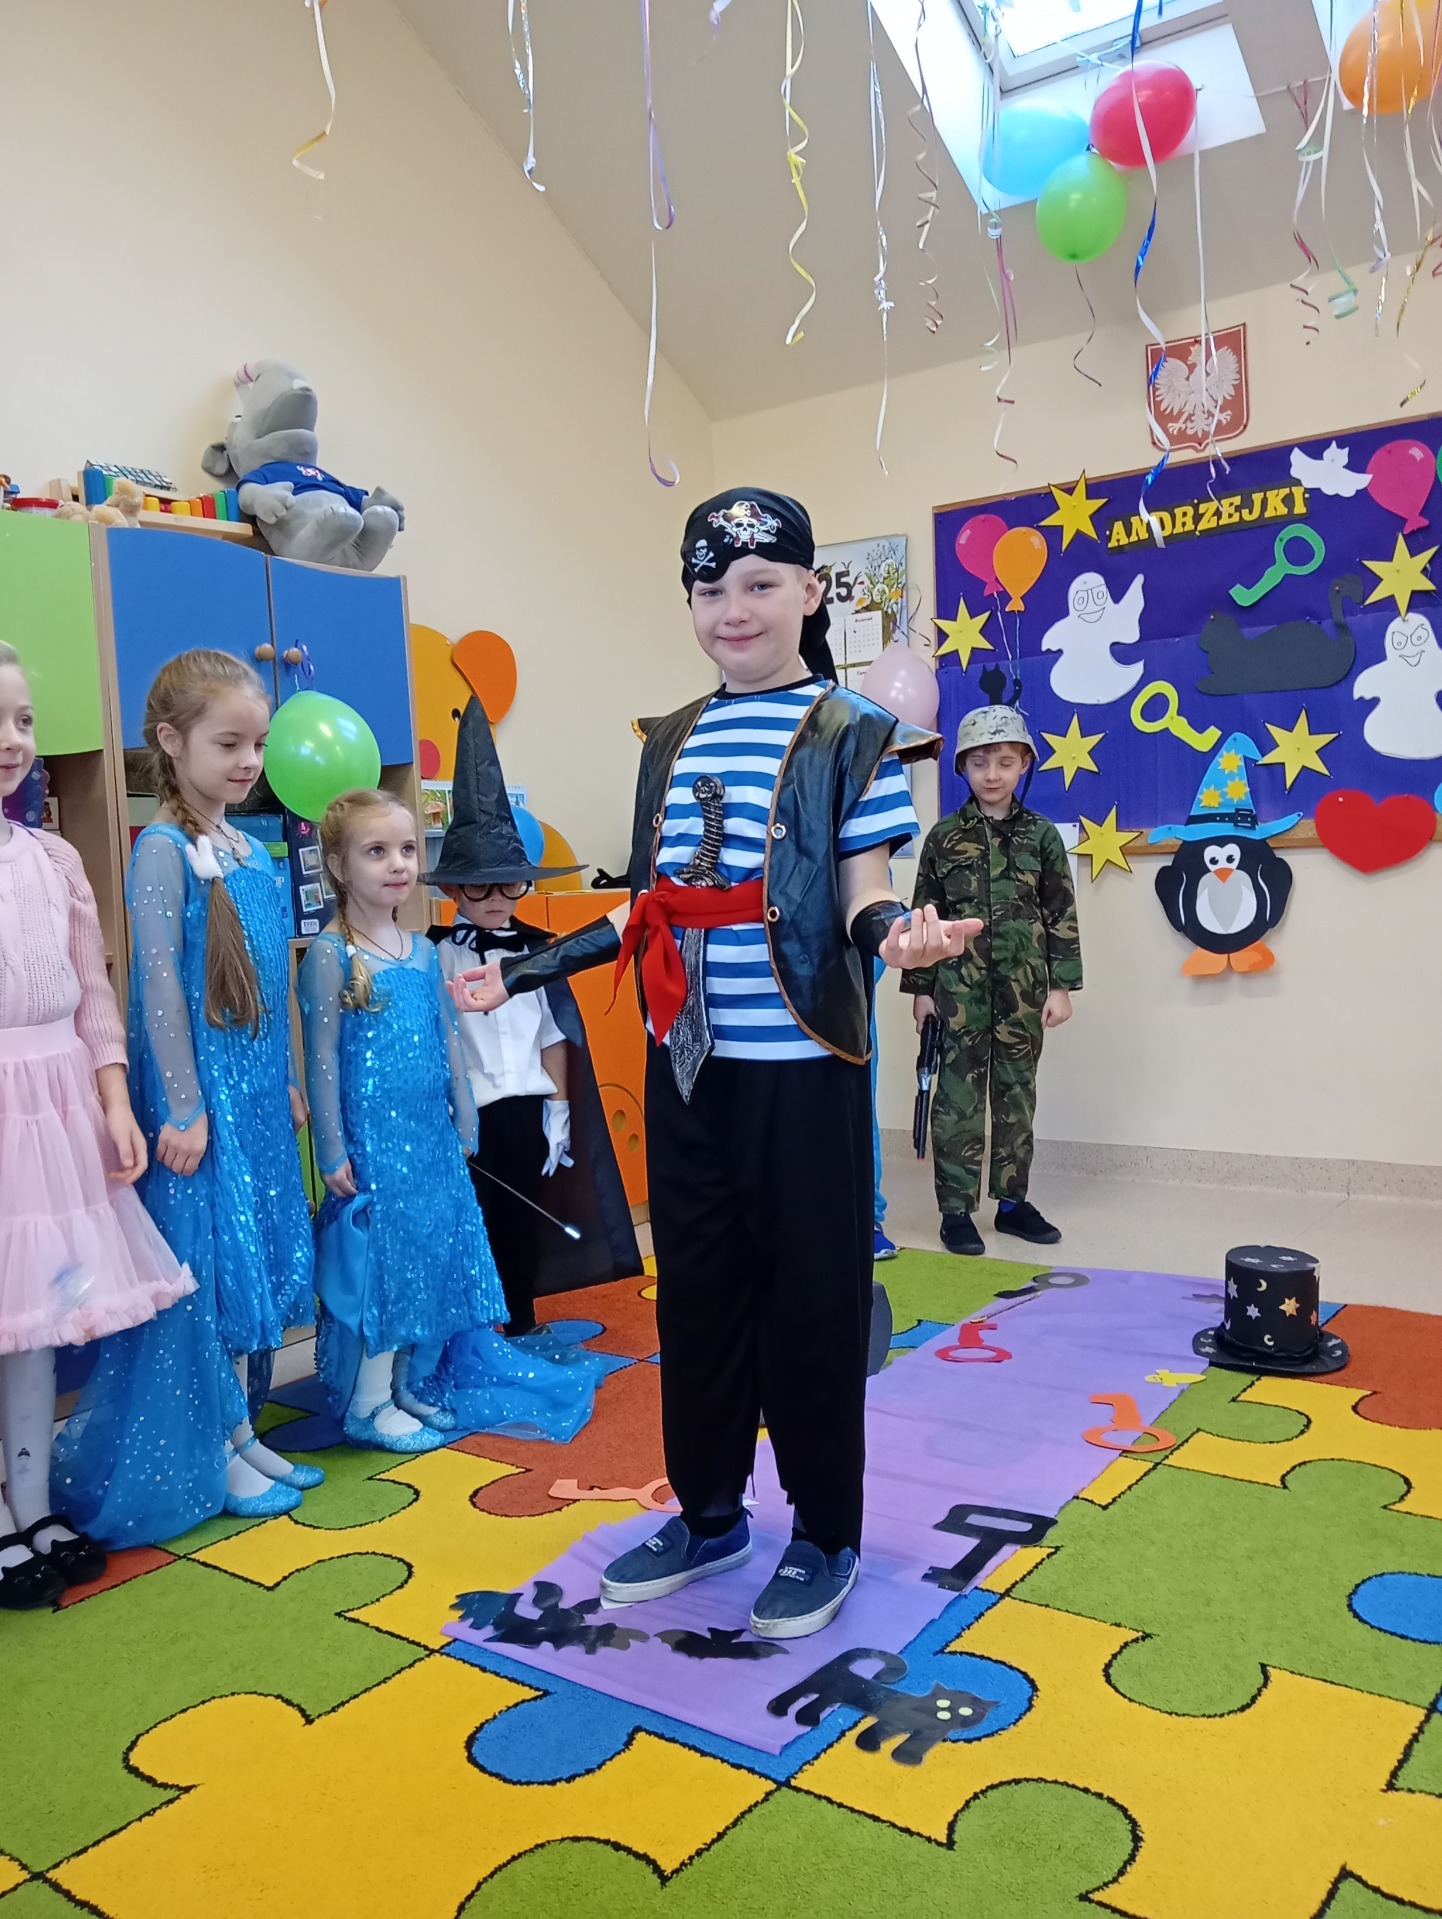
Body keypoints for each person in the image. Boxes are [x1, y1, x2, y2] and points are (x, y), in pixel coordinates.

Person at [451, 487, 980, 1641]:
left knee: (811, 1302)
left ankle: (825, 1531)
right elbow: (644, 905)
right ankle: (706, 1512)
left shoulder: (852, 731)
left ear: (808, 591)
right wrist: (524, 972)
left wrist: (897, 937)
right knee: (694, 1297)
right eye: (709, 587)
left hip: (801, 1066)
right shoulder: (669, 736)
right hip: (686, 1063)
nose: (732, 607)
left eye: (758, 583)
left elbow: (863, 891)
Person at [54, 650, 318, 1544]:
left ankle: (240, 1427)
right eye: (228, 743)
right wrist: (181, 1105)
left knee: (246, 1268)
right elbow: (159, 985)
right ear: (171, 741)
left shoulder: (247, 845)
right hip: (200, 1102)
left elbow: (269, 979)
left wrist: (284, 1077)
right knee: (203, 1270)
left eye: (259, 744)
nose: (250, 761)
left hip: (253, 1095)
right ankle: (215, 1441)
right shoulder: (161, 849)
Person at [299, 789, 593, 1449]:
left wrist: (464, 1120)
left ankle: (412, 1383)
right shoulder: (331, 955)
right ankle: (369, 1403)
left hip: (431, 1139)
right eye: (377, 851)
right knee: (384, 1269)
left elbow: (449, 1042)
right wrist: (330, 1148)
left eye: (407, 849)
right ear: (339, 866)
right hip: (374, 1144)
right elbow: (320, 1058)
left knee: (435, 1259)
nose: (398, 864)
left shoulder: (422, 952)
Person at [0, 644, 194, 1607]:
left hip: (57, 1103)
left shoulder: (54, 858)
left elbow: (93, 992)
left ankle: (33, 1504)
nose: (12, 739)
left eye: (24, 720)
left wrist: (113, 1098)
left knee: (35, 1322)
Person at [427, 697, 641, 1354]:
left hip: (525, 1107)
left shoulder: (538, 953)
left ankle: (520, 1318)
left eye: (509, 885)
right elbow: (434, 1042)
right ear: (453, 889)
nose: (496, 899)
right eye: (480, 886)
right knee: (471, 1218)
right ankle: (471, 1329)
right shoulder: (434, 956)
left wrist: (560, 1110)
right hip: (470, 1111)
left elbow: (555, 1035)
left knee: (520, 1218)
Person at [903, 705, 1081, 1258]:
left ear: (1025, 763)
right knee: (956, 1099)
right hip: (957, 990)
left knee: (1016, 1094)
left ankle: (1012, 1204)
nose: (993, 774)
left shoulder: (1042, 836)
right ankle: (956, 1211)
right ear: (962, 767)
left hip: (1023, 989)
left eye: (1005, 762)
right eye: (979, 763)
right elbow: (923, 917)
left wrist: (1060, 986)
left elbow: (1061, 913)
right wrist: (921, 989)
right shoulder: (943, 838)